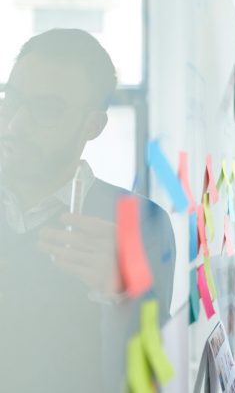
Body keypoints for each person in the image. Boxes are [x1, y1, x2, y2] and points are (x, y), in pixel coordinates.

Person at [0, 29, 176, 392]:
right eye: (11, 100)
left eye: (46, 109)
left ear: (92, 126)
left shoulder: (140, 223)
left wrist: (123, 295)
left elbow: (150, 382)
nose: (16, 123)